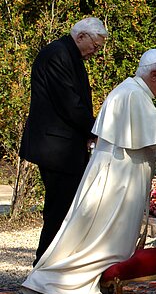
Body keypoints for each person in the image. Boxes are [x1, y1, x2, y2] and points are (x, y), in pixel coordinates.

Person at [20, 49, 156, 294]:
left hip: (116, 173)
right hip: (117, 179)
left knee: (94, 234)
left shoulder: (132, 92)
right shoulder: (133, 95)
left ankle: (57, 280)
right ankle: (59, 282)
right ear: (153, 74)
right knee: (100, 238)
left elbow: (151, 135)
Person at [19, 17, 108, 266]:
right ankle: (44, 270)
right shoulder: (58, 54)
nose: (96, 51)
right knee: (59, 212)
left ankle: (53, 268)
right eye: (96, 45)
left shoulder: (68, 54)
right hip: (56, 149)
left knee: (64, 210)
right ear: (81, 36)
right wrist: (98, 130)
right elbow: (70, 104)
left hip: (61, 147)